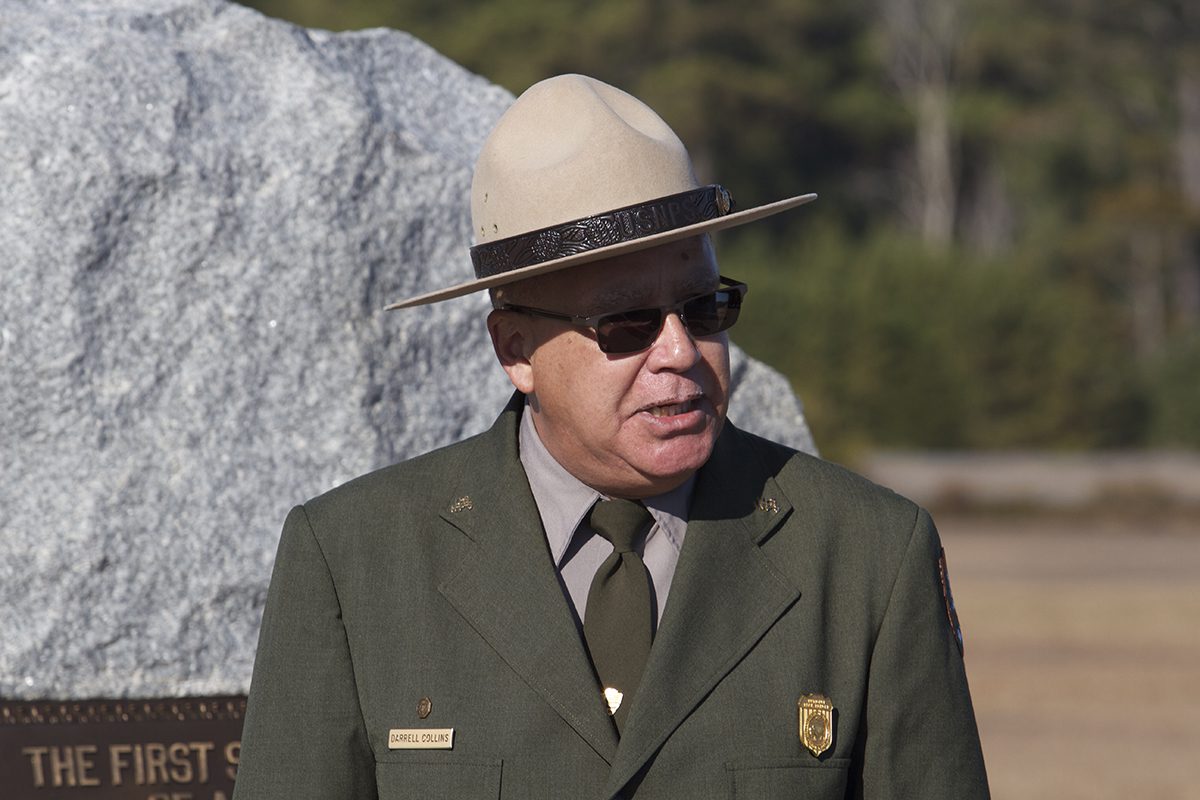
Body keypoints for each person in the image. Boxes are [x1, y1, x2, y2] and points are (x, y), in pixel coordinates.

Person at [232, 74, 989, 799]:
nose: (680, 351)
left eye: (704, 308)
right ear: (517, 352)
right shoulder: (355, 559)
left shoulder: (867, 556)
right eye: (627, 323)